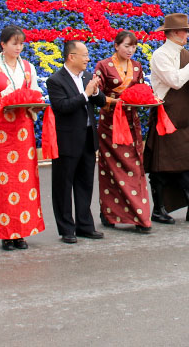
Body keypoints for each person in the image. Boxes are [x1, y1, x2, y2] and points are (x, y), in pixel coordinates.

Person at [0, 25, 46, 251]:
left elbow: (34, 93)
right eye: (14, 43)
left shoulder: (27, 67)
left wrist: (32, 103)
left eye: (21, 43)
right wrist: (1, 106)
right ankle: (6, 232)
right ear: (2, 44)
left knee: (25, 181)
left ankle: (22, 231)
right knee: (2, 181)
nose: (18, 47)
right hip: (2, 130)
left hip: (23, 130)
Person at [143, 13, 189, 225]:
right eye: (185, 31)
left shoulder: (185, 53)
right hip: (166, 116)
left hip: (182, 116)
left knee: (188, 166)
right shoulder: (160, 55)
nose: (188, 35)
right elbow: (175, 81)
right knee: (161, 167)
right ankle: (159, 209)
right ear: (173, 33)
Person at [47, 40, 107, 244]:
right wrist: (86, 94)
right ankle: (66, 228)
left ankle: (85, 225)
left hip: (88, 138)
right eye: (84, 55)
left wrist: (96, 92)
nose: (88, 59)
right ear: (71, 57)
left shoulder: (88, 77)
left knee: (85, 184)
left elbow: (101, 101)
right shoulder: (55, 80)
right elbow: (62, 107)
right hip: (67, 140)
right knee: (63, 186)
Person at [94, 31, 151, 233]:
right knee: (111, 170)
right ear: (116, 45)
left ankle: (139, 214)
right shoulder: (103, 65)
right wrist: (113, 102)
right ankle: (110, 213)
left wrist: (147, 100)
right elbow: (96, 93)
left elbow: (142, 90)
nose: (130, 50)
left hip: (131, 121)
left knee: (135, 167)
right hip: (110, 123)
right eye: (127, 46)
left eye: (133, 46)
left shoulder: (137, 66)